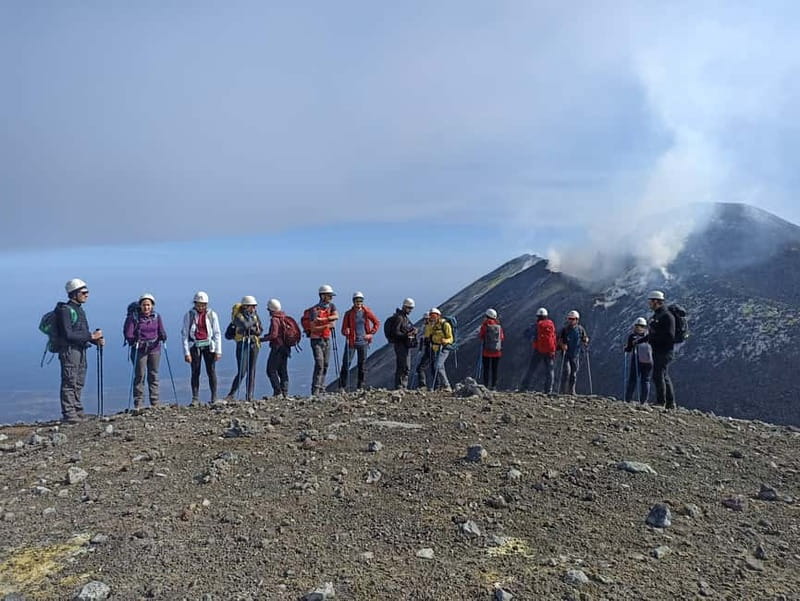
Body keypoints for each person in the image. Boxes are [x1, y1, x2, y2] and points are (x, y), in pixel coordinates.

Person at [57, 278, 104, 423]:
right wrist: (91, 336)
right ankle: (70, 414)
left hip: (80, 349)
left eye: (87, 292)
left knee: (78, 381)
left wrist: (95, 340)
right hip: (70, 351)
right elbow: (68, 334)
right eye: (83, 292)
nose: (87, 295)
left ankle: (77, 411)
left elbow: (80, 332)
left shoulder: (78, 309)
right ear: (74, 294)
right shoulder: (65, 311)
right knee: (70, 381)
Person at [124, 293, 167, 409]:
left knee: (153, 374)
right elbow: (129, 334)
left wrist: (163, 336)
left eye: (148, 305)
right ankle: (139, 403)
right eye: (144, 305)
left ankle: (155, 402)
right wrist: (134, 341)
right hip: (140, 350)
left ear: (152, 305)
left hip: (155, 349)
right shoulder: (134, 318)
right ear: (140, 306)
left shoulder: (157, 317)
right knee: (140, 376)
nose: (146, 307)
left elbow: (161, 330)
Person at [181, 291, 222, 405]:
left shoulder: (212, 315)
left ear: (206, 304)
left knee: (211, 371)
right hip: (195, 346)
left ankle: (214, 396)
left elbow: (217, 333)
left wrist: (218, 351)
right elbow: (184, 334)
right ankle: (195, 398)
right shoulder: (189, 315)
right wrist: (186, 352)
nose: (200, 307)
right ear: (194, 304)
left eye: (203, 304)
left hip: (209, 346)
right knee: (195, 372)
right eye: (198, 304)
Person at [301, 285, 339, 396]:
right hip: (316, 340)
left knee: (325, 364)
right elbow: (313, 328)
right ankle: (316, 390)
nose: (331, 298)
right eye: (329, 296)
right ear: (322, 296)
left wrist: (324, 320)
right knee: (320, 364)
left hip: (326, 338)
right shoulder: (314, 310)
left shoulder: (331, 306)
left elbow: (336, 316)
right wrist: (328, 325)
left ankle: (321, 388)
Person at [339, 291, 380, 391]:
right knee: (346, 363)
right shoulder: (348, 314)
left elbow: (376, 322)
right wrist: (346, 331)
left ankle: (360, 386)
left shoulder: (367, 312)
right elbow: (343, 329)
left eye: (360, 301)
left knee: (362, 365)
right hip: (352, 342)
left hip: (363, 342)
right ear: (353, 301)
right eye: (357, 301)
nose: (359, 303)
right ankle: (342, 386)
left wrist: (371, 334)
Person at [225, 296, 262, 401]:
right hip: (243, 344)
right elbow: (245, 325)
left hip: (254, 344)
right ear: (245, 306)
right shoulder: (238, 316)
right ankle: (231, 393)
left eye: (254, 307)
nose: (254, 309)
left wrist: (253, 329)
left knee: (252, 370)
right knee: (242, 371)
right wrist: (254, 326)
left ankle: (249, 395)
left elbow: (260, 329)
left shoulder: (254, 315)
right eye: (252, 306)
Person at [645, 290, 676, 409]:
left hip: (664, 351)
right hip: (659, 351)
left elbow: (670, 336)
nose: (649, 304)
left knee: (658, 375)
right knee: (664, 376)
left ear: (656, 301)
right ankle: (670, 403)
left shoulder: (666, 316)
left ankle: (661, 402)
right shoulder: (658, 315)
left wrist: (654, 339)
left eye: (650, 301)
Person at [519, 307, 557, 394]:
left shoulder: (536, 326)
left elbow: (526, 334)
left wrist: (534, 339)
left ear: (538, 316)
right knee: (550, 371)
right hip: (549, 351)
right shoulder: (551, 324)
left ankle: (524, 388)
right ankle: (548, 390)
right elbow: (554, 337)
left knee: (531, 369)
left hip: (538, 350)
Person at [263, 298, 292, 398]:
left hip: (277, 348)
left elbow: (274, 335)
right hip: (286, 348)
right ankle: (285, 392)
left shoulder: (275, 319)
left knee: (270, 370)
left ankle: (277, 391)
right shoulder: (284, 317)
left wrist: (262, 339)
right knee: (282, 370)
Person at [558, 310, 589, 395]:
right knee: (566, 372)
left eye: (572, 319)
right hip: (567, 354)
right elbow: (559, 340)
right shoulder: (565, 330)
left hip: (575, 355)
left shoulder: (580, 329)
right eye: (569, 319)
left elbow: (584, 337)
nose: (570, 320)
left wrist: (586, 340)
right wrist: (562, 345)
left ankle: (571, 391)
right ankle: (563, 391)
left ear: (577, 319)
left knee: (574, 373)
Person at [389, 298, 418, 389]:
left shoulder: (403, 317)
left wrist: (412, 331)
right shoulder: (400, 318)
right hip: (400, 345)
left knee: (403, 366)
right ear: (404, 307)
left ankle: (401, 386)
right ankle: (401, 386)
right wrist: (407, 335)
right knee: (404, 366)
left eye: (411, 308)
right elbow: (396, 332)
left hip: (403, 345)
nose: (410, 310)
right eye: (409, 308)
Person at [623, 317, 652, 403]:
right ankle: (643, 401)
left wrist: (625, 349)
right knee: (646, 380)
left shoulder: (633, 337)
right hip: (649, 361)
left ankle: (628, 399)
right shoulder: (649, 336)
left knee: (633, 379)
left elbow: (629, 349)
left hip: (636, 360)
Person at [427, 308, 454, 391]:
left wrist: (445, 341)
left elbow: (451, 338)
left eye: (434, 315)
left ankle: (446, 385)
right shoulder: (433, 325)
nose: (432, 317)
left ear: (438, 316)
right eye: (431, 315)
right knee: (440, 367)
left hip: (444, 348)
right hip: (436, 348)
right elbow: (428, 335)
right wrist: (429, 325)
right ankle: (444, 386)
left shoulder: (445, 324)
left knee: (437, 365)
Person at [478, 308, 504, 390]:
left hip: (486, 351)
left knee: (486, 369)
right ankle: (494, 386)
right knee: (494, 369)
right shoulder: (499, 326)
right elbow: (502, 337)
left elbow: (481, 336)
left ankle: (485, 385)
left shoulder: (485, 325)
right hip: (497, 351)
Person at [414, 311, 433, 389]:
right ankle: (438, 386)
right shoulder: (427, 327)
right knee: (433, 368)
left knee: (421, 368)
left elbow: (427, 338)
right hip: (430, 350)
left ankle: (423, 386)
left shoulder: (430, 327)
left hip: (430, 350)